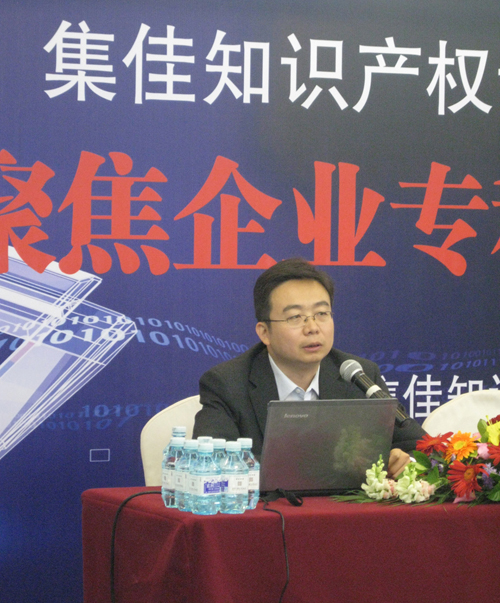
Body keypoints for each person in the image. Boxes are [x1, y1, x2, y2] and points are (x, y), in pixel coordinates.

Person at [193, 258, 426, 477]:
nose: (313, 328)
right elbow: (212, 462)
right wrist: (332, 464)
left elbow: (423, 448)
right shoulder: (227, 383)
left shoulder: (359, 376)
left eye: (321, 313)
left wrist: (400, 462)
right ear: (264, 332)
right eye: (295, 317)